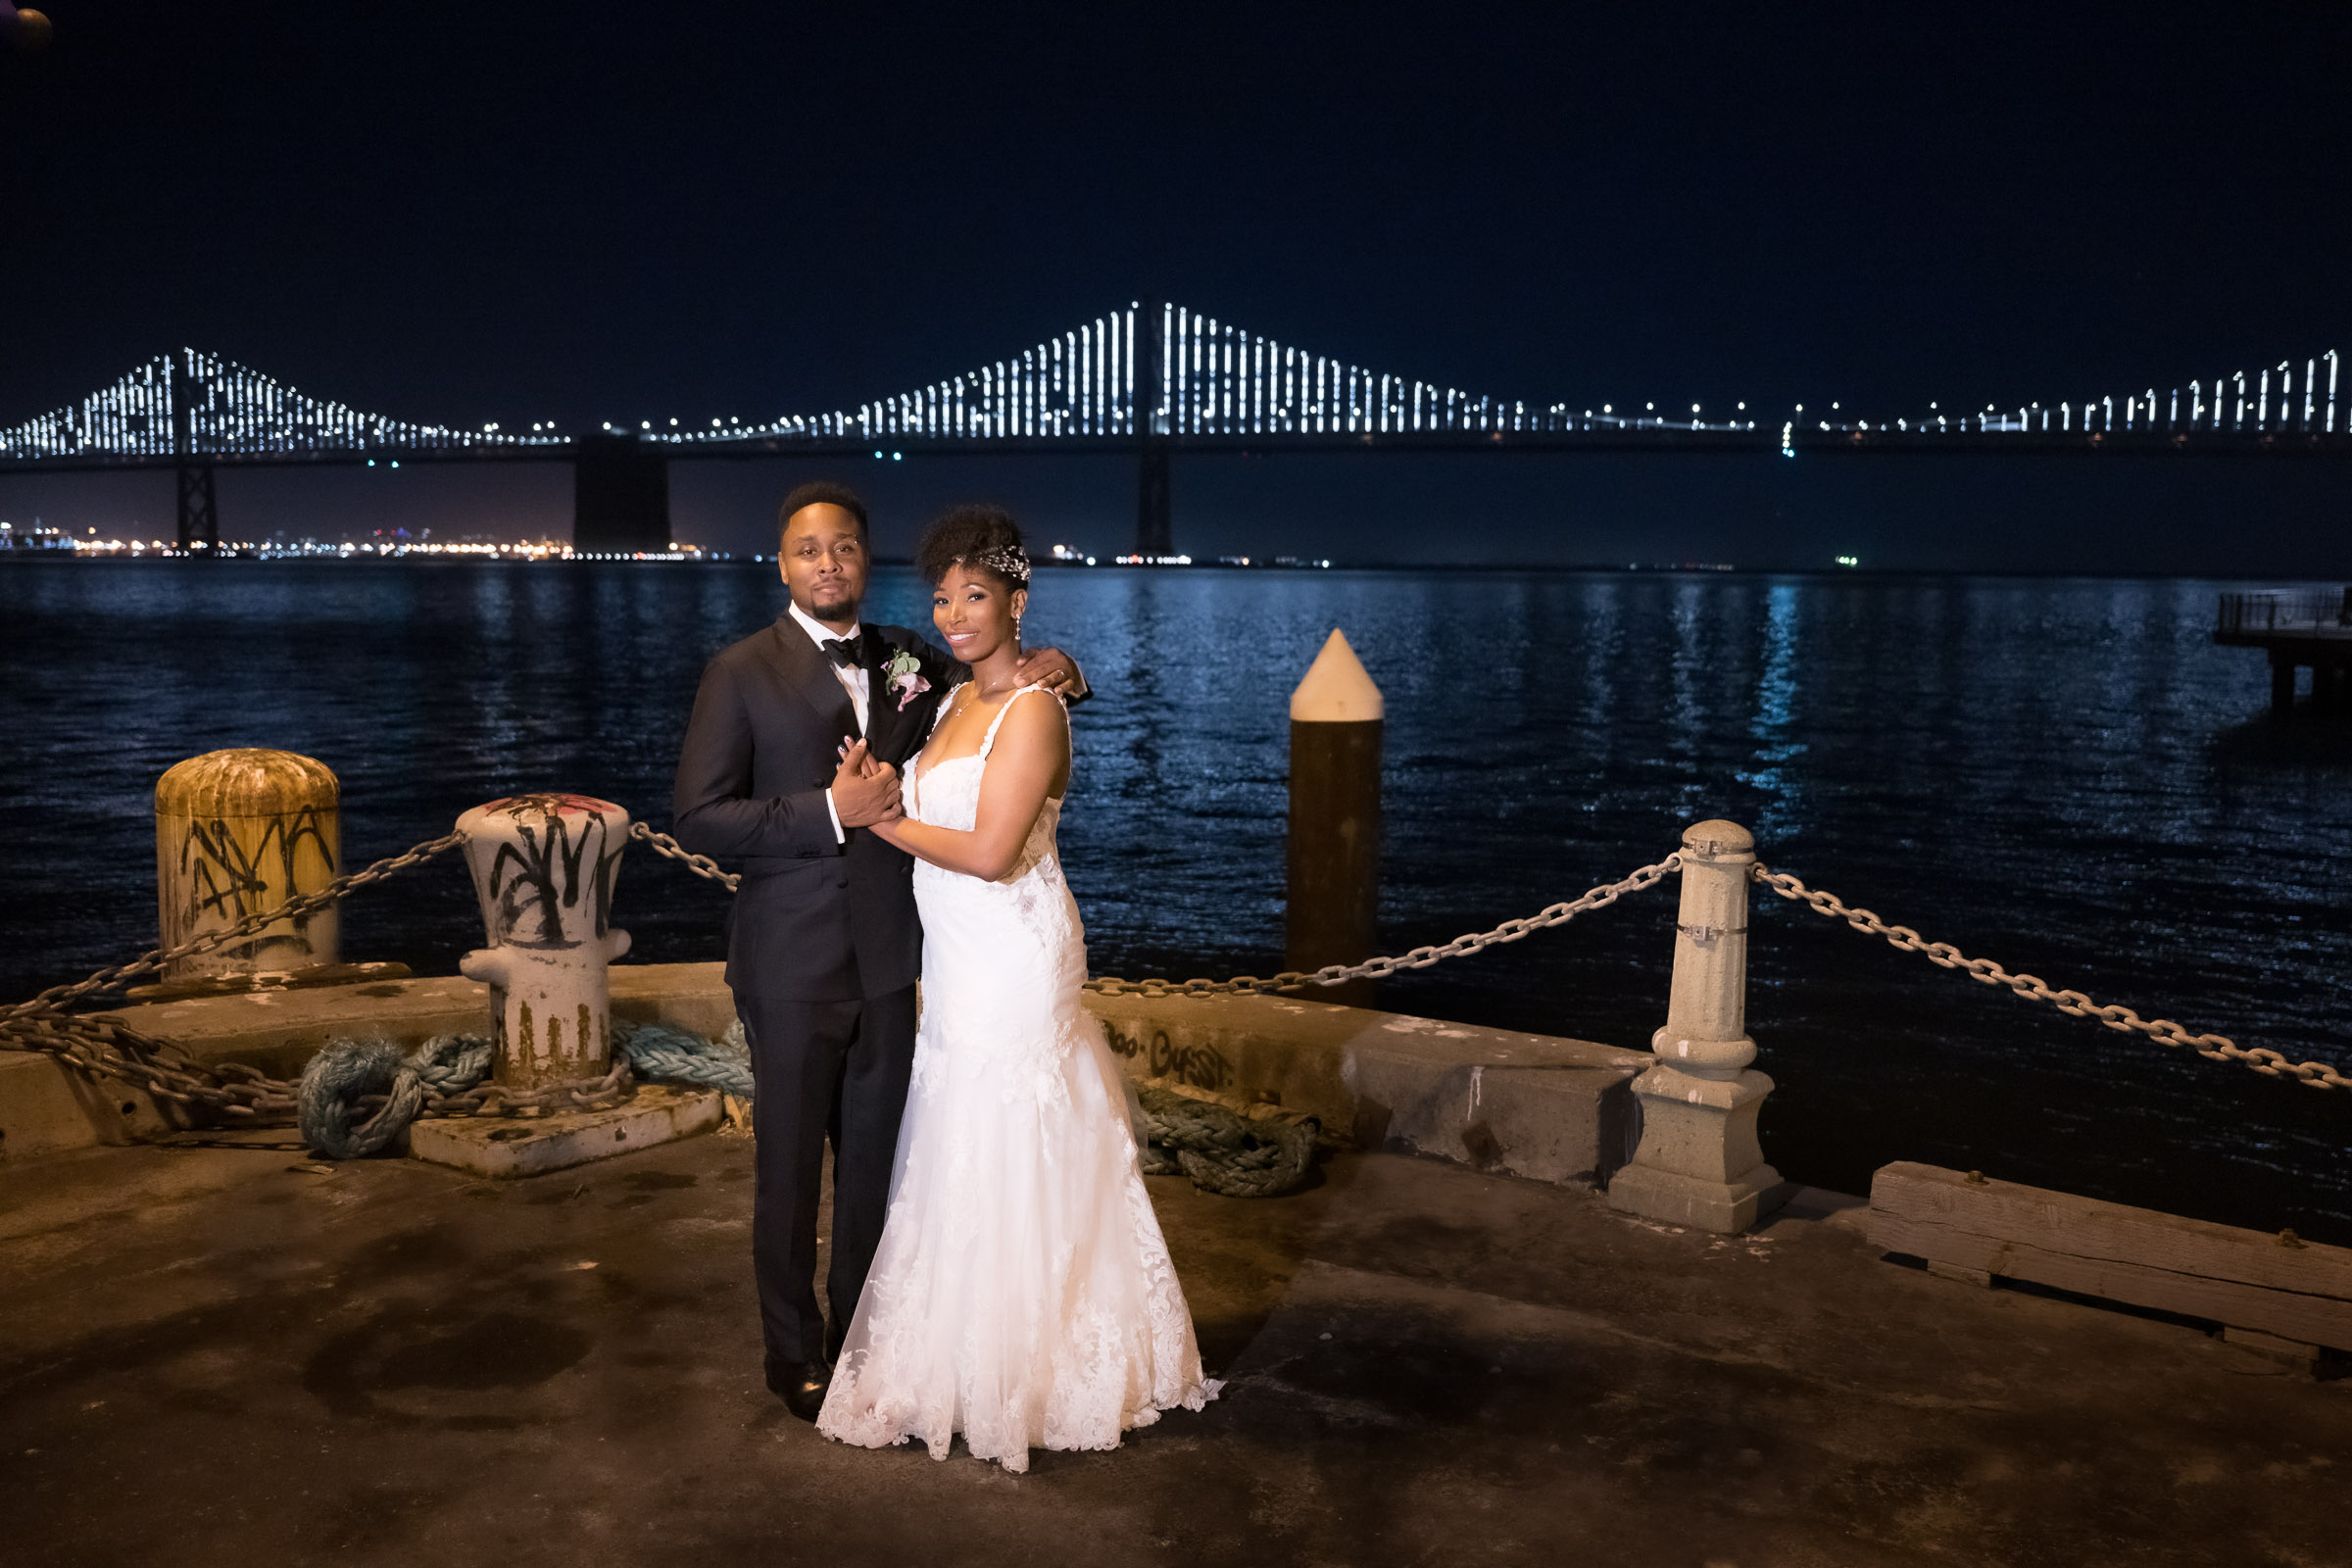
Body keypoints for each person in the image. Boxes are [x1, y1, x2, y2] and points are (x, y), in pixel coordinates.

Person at [668, 482, 1084, 1423]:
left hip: (893, 964)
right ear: (783, 565)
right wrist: (827, 812)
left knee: (876, 1173)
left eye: (845, 547)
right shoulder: (740, 671)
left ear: (864, 559)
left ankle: (863, 1338)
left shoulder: (912, 660)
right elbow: (698, 818)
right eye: (808, 549)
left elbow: (996, 687)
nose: (828, 563)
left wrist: (1065, 667)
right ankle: (792, 1354)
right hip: (788, 967)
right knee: (787, 1177)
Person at [816, 506, 1217, 1473]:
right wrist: (875, 779)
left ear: (1017, 601)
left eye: (977, 596)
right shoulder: (944, 697)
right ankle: (955, 1353)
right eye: (944, 596)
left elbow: (994, 852)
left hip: (1015, 949)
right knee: (958, 1136)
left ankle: (1036, 1368)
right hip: (955, 960)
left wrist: (878, 822)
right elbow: (921, 783)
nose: (955, 613)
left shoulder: (1038, 708)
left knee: (1013, 1139)